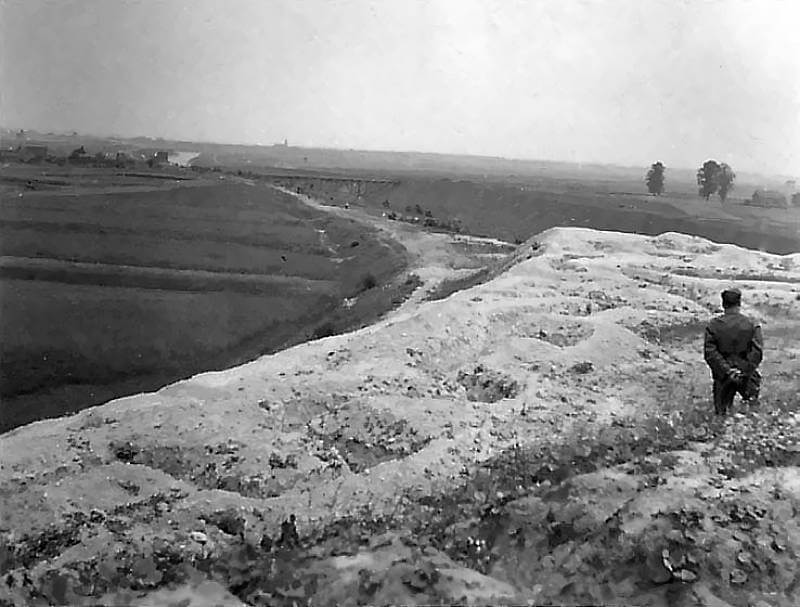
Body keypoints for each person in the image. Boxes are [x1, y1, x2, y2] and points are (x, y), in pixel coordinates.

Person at [703, 288, 763, 415]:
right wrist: (744, 371)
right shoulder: (752, 324)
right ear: (739, 303)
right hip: (748, 376)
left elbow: (710, 353)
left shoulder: (713, 326)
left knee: (721, 415)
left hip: (723, 376)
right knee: (753, 413)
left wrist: (728, 371)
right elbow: (757, 352)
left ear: (723, 304)